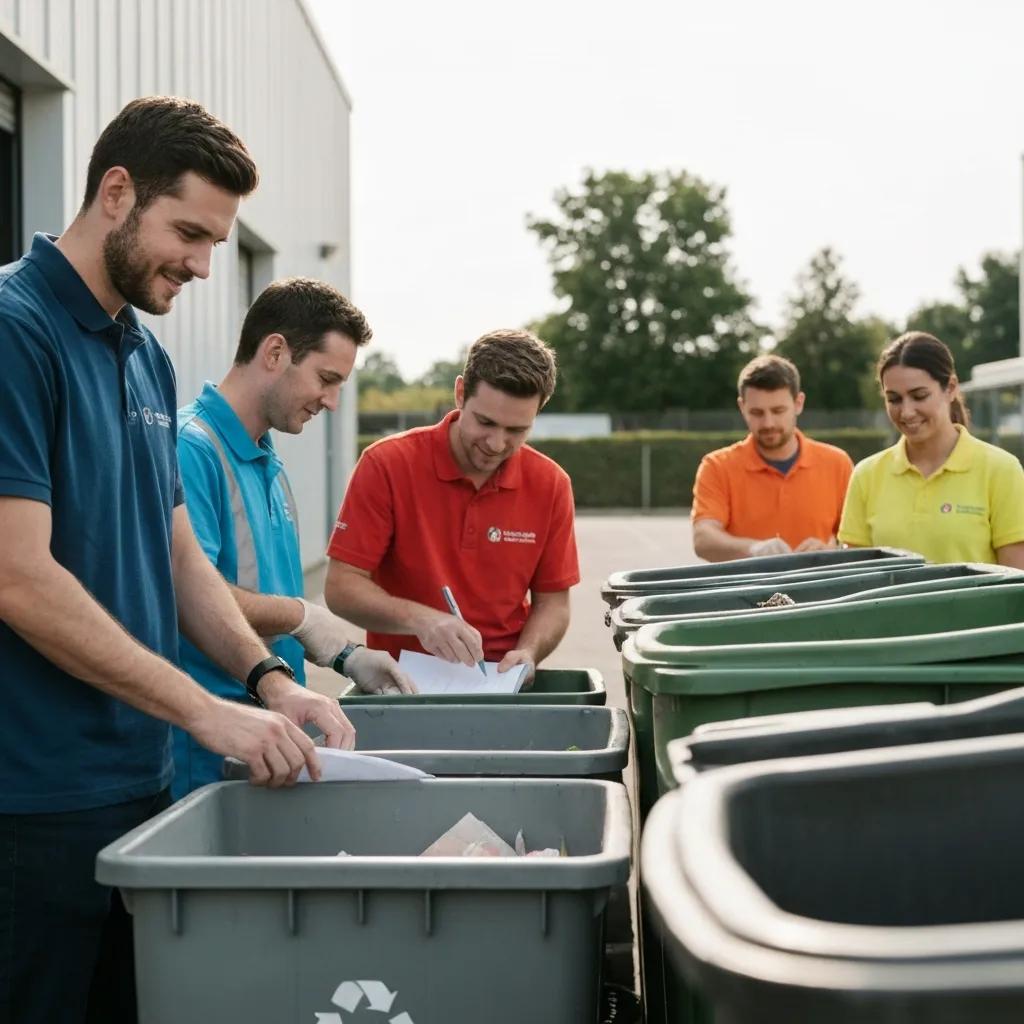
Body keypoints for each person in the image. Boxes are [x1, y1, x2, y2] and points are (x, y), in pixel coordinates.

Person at [0, 97, 354, 1024]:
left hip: (143, 783)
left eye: (216, 240)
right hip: (30, 806)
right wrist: (206, 712)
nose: (204, 265)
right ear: (116, 192)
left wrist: (269, 681)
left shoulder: (146, 359)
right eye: (190, 233)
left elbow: (176, 550)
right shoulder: (12, 330)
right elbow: (16, 577)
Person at [173, 277, 414, 797]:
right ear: (276, 352)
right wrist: (304, 617)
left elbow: (264, 597)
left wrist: (345, 654)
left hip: (274, 741)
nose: (330, 402)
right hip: (210, 757)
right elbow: (189, 595)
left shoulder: (269, 463)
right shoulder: (189, 450)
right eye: (326, 379)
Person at [324, 329, 579, 682]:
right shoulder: (387, 464)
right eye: (485, 422)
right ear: (460, 393)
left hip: (500, 687)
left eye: (517, 430)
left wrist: (530, 651)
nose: (496, 443)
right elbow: (341, 587)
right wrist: (423, 620)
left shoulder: (551, 484)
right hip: (401, 687)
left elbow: (554, 604)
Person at [838, 332, 1024, 566]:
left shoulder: (1001, 470)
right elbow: (855, 577)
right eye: (894, 399)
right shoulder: (866, 475)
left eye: (919, 396)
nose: (906, 412)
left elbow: (1016, 584)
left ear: (951, 388)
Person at [691, 354, 854, 562]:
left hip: (819, 591)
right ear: (742, 407)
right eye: (757, 412)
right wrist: (754, 549)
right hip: (746, 593)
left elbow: (856, 541)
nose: (768, 423)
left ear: (798, 403)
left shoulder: (836, 463)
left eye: (778, 411)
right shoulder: (717, 466)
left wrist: (830, 550)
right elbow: (703, 539)